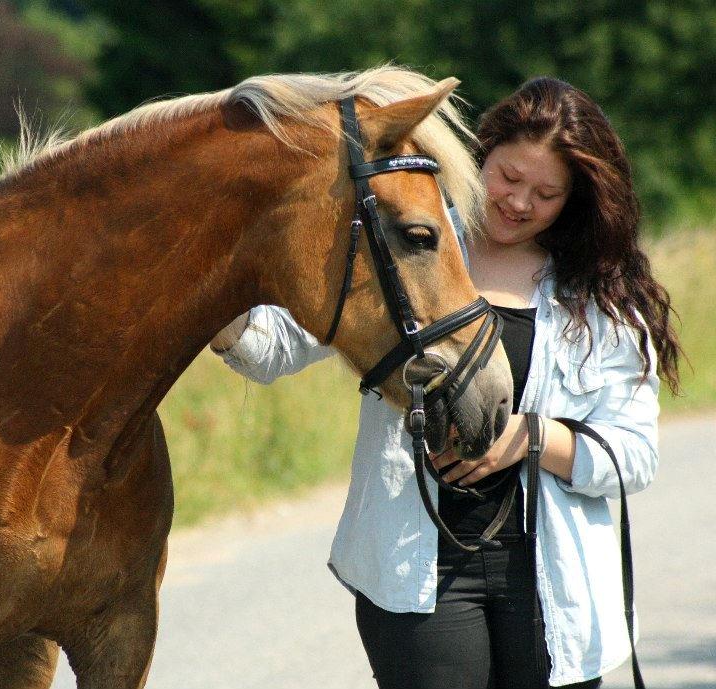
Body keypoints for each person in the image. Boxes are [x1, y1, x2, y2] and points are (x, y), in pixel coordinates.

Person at [210, 77, 681, 689]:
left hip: (554, 581)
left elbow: (634, 457)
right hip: (416, 573)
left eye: (546, 194)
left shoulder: (598, 299)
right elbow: (269, 349)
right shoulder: (408, 244)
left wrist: (530, 439)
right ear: (483, 153)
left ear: (574, 199)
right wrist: (205, 284)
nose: (519, 202)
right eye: (509, 177)